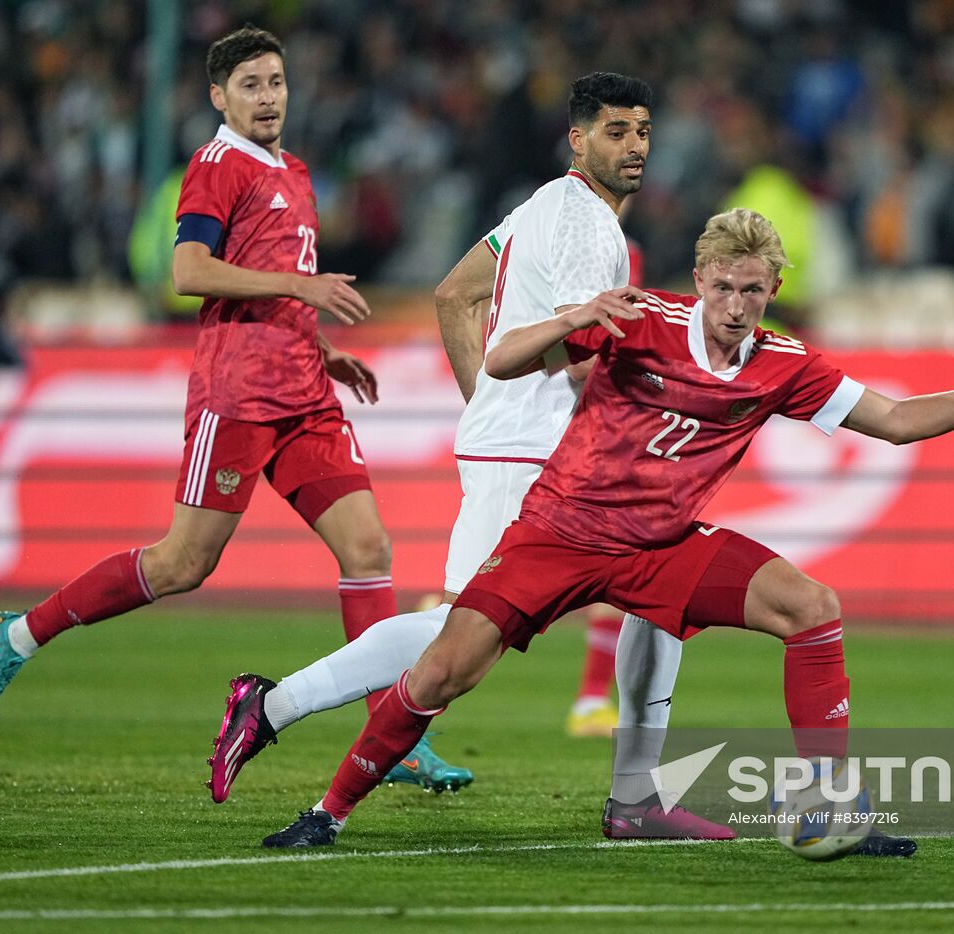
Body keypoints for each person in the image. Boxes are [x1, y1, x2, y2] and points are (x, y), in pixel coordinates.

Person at [252, 208, 954, 849]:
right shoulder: (640, 322)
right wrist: (578, 315)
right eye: (724, 289)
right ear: (700, 279)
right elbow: (501, 363)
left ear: (772, 288)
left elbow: (895, 419)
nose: (737, 307)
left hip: (660, 548)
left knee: (811, 607)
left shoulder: (785, 362)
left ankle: (823, 810)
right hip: (560, 531)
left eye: (753, 291)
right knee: (444, 673)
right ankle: (329, 812)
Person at [204, 73, 723, 838]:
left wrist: (487, 398)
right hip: (539, 456)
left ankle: (635, 800)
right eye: (617, 132)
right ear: (578, 140)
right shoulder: (591, 229)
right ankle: (272, 704)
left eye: (643, 131)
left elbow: (454, 294)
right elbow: (586, 359)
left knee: (661, 595)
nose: (635, 147)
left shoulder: (540, 205)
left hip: (521, 443)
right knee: (463, 634)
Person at [0, 25, 466, 785]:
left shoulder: (294, 171)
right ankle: (19, 638)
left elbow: (271, 277)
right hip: (236, 398)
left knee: (370, 551)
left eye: (277, 83)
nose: (269, 98)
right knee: (181, 564)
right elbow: (189, 270)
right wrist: (301, 289)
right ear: (218, 96)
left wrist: (321, 345)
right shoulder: (215, 164)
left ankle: (392, 736)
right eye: (252, 86)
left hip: (305, 394)